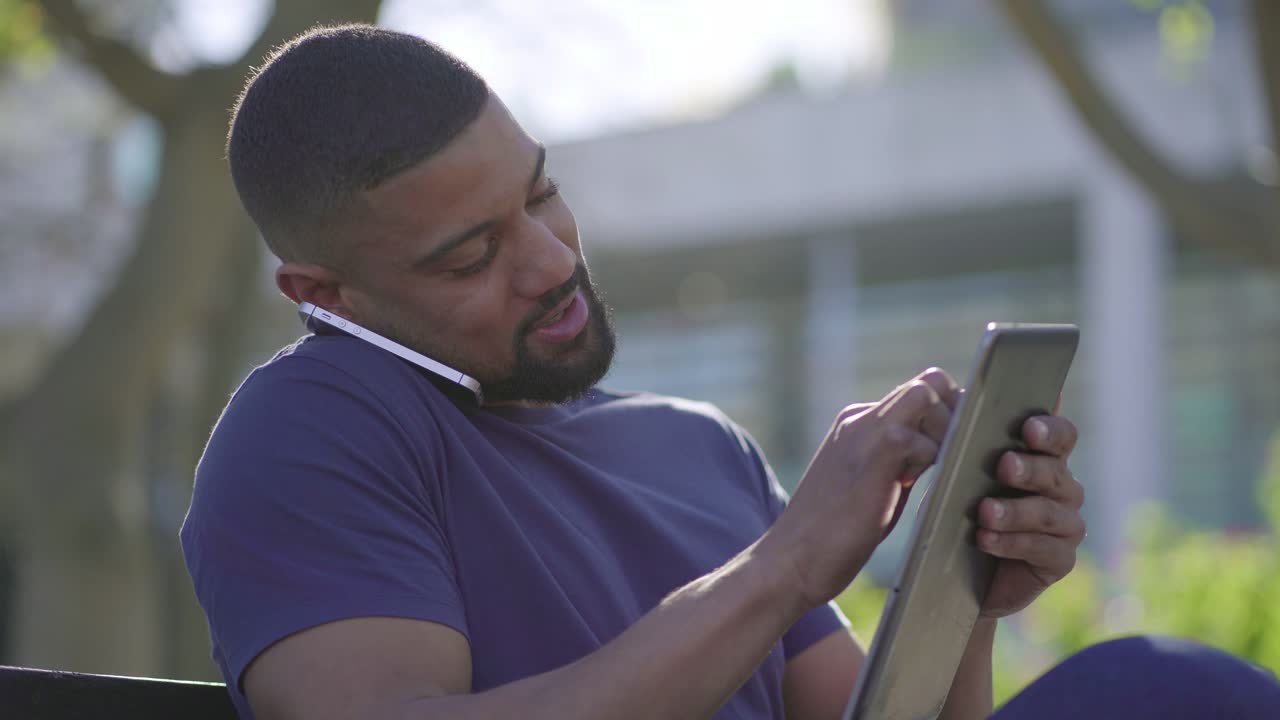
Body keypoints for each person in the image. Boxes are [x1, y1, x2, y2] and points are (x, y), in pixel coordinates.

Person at [180, 24, 1280, 720]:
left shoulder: (693, 445)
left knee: (1175, 686)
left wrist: (962, 591)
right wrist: (783, 564)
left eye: (540, 196)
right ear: (326, 296)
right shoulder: (313, 429)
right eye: (471, 255)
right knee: (1162, 689)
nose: (553, 261)